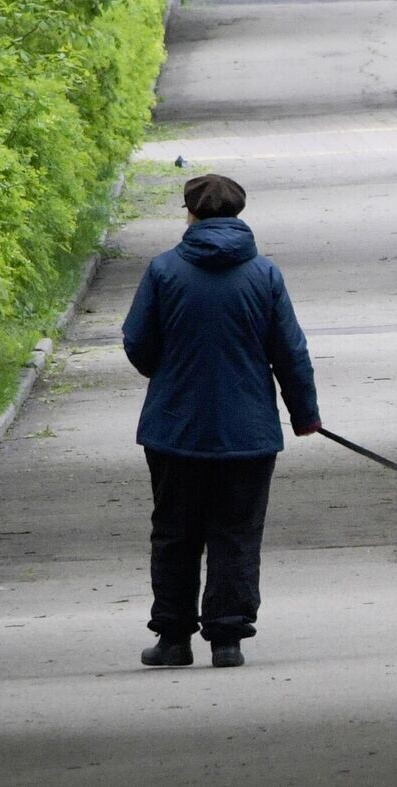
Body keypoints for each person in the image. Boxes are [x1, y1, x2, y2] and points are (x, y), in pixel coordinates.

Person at [122, 173, 320, 668]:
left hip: (174, 429)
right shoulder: (264, 275)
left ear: (190, 214)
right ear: (238, 215)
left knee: (175, 533)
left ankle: (172, 639)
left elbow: (137, 341)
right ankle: (227, 639)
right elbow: (290, 352)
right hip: (247, 432)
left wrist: (165, 374)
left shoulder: (164, 271)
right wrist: (304, 415)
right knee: (236, 531)